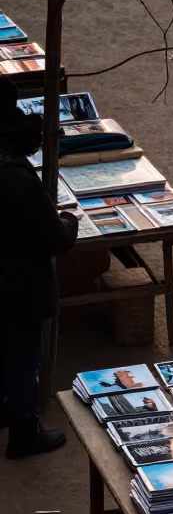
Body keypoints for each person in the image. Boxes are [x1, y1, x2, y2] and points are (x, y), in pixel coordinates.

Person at [0, 77, 77, 458]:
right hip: (17, 285)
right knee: (22, 358)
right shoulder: (14, 175)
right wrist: (69, 223)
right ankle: (23, 432)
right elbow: (57, 240)